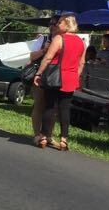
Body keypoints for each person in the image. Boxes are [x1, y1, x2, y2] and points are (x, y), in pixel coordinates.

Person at [33, 13, 86, 151]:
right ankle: (64, 139)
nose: (57, 25)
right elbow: (82, 63)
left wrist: (39, 73)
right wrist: (75, 76)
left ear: (67, 24)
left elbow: (48, 58)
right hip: (70, 78)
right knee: (65, 109)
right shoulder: (81, 42)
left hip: (54, 77)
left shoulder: (59, 38)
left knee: (50, 106)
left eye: (60, 22)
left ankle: (43, 137)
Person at [28, 16, 59, 144]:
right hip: (41, 76)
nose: (52, 26)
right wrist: (44, 50)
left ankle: (48, 135)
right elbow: (31, 57)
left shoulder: (64, 40)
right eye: (50, 23)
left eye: (55, 24)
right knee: (39, 105)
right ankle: (37, 134)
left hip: (57, 77)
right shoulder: (43, 39)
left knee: (53, 107)